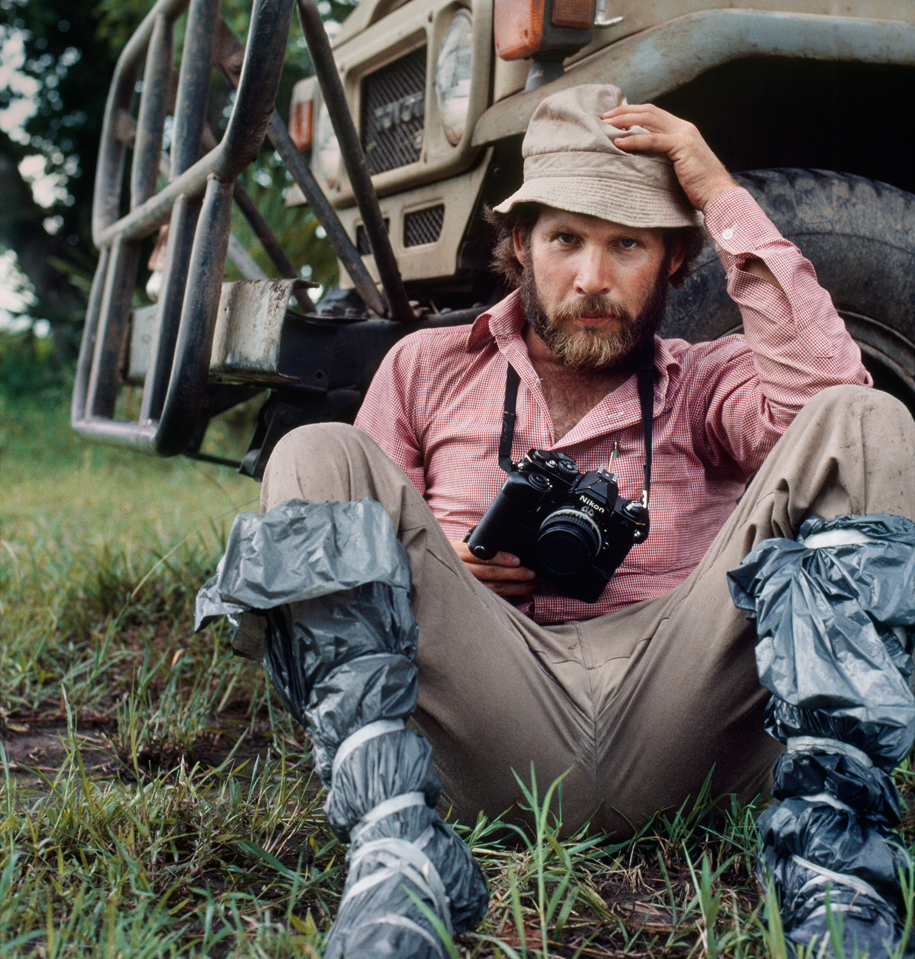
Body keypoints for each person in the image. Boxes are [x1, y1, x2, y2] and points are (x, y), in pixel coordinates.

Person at [260, 83, 915, 842]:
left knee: (866, 418)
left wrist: (720, 193)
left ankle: (833, 839)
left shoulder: (703, 381)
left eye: (627, 243)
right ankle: (388, 833)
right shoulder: (424, 368)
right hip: (484, 718)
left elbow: (831, 408)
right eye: (566, 239)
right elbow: (348, 558)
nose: (592, 279)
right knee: (313, 452)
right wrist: (433, 572)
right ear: (520, 246)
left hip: (684, 715)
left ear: (673, 260)